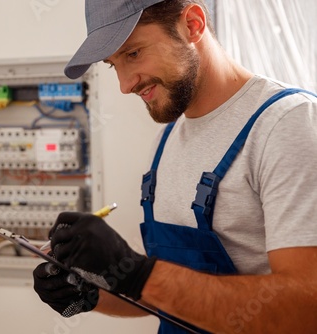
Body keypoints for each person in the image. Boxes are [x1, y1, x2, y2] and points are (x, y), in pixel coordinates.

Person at [33, 0, 317, 333]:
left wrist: (139, 274)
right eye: (113, 65)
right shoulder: (167, 140)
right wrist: (91, 294)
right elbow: (175, 293)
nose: (125, 84)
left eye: (134, 53)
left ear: (193, 24)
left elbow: (306, 309)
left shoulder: (287, 125)